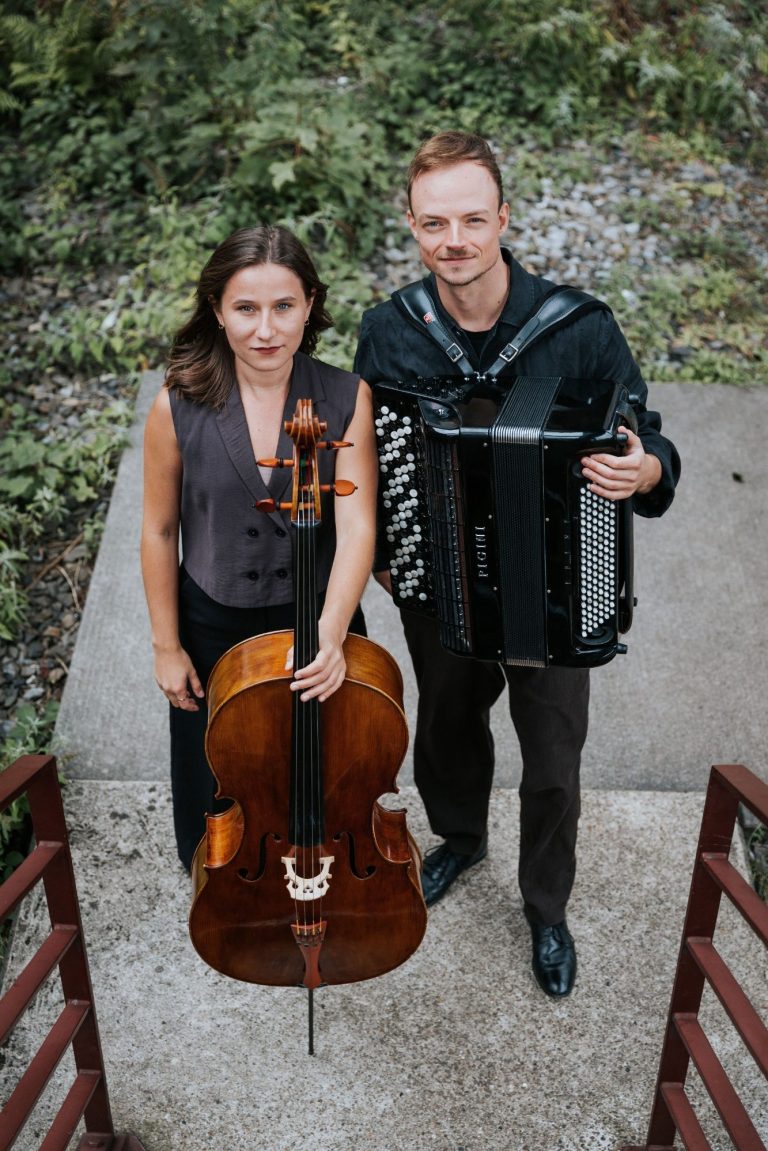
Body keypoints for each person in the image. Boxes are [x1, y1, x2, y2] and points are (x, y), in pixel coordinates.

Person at [354, 132, 680, 998]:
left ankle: (546, 907)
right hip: (442, 585)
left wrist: (643, 469)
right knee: (447, 729)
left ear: (503, 216)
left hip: (561, 591)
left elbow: (650, 441)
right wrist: (389, 555)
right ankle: (460, 838)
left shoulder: (578, 328)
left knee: (553, 759)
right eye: (434, 223)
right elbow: (362, 460)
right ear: (413, 226)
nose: (453, 240)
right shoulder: (390, 334)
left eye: (470, 218)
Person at [141, 225, 377, 872]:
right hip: (214, 623)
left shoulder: (346, 396)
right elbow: (160, 530)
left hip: (317, 617)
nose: (265, 329)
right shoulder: (176, 405)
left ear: (309, 305)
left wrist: (329, 633)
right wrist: (167, 645)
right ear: (217, 311)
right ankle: (228, 887)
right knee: (217, 782)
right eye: (245, 308)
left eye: (283, 306)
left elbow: (358, 526)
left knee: (325, 775)